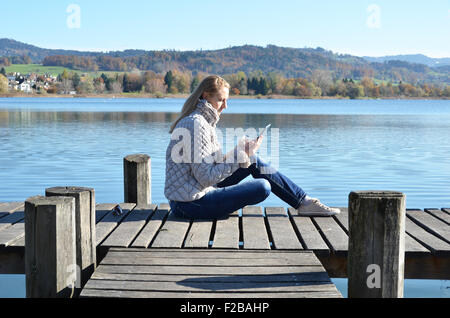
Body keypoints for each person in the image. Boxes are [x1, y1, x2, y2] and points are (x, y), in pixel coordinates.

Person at [164, 75, 340, 220]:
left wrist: (240, 151)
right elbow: (206, 177)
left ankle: (305, 202)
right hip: (190, 205)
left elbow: (211, 165)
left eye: (226, 100)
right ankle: (304, 203)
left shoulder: (202, 122)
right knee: (262, 187)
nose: (225, 106)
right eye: (221, 100)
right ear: (205, 96)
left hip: (193, 195)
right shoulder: (197, 124)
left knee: (253, 160)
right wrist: (241, 155)